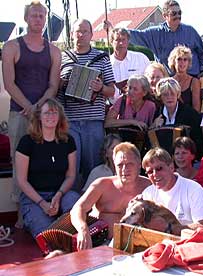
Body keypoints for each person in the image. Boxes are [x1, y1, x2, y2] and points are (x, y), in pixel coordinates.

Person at [2, 0, 61, 228]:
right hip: (19, 115)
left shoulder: (54, 51)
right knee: (20, 165)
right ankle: (20, 213)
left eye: (42, 16)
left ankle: (47, 207)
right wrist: (29, 107)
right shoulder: (12, 47)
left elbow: (53, 84)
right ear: (26, 18)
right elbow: (9, 83)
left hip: (45, 116)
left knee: (46, 161)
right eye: (34, 15)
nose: (38, 19)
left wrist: (39, 108)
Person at [57, 19, 115, 191]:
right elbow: (54, 87)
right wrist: (62, 83)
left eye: (84, 32)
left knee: (93, 167)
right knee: (70, 168)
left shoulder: (102, 58)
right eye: (77, 31)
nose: (80, 35)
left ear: (91, 35)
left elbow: (112, 90)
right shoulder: (62, 57)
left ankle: (92, 211)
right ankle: (71, 208)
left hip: (93, 121)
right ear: (71, 34)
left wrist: (101, 87)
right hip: (69, 121)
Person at [15, 99, 79, 238]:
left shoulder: (68, 141)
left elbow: (71, 175)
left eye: (54, 113)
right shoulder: (26, 142)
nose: (51, 116)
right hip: (34, 198)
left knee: (75, 206)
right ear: (39, 117)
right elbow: (22, 180)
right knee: (48, 236)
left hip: (61, 195)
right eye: (46, 113)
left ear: (60, 116)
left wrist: (59, 195)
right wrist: (42, 203)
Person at [70, 142, 151, 250]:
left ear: (139, 164)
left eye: (129, 164)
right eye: (120, 165)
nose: (124, 169)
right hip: (101, 245)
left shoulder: (150, 187)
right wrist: (83, 230)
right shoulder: (102, 185)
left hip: (139, 246)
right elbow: (78, 208)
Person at [141, 147, 203, 235]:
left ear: (171, 167)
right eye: (150, 172)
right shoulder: (147, 193)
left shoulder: (193, 189)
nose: (155, 174)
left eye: (159, 168)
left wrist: (169, 228)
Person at [129, 0, 203, 77]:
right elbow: (136, 35)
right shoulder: (155, 33)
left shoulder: (190, 31)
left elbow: (202, 50)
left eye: (179, 13)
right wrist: (120, 32)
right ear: (164, 15)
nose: (178, 16)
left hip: (192, 79)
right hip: (168, 82)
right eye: (174, 13)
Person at [151, 77, 203, 158]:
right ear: (160, 97)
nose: (169, 97)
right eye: (165, 94)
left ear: (177, 94)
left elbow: (198, 139)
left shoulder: (189, 113)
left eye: (172, 93)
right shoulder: (157, 113)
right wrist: (154, 126)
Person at [109, 28, 150, 103]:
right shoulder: (107, 63)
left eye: (123, 39)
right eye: (117, 40)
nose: (121, 43)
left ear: (128, 41)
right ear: (111, 42)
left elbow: (150, 81)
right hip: (114, 107)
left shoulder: (141, 58)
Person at [169, 46, 201, 112]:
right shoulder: (169, 82)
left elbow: (196, 108)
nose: (182, 62)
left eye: (185, 59)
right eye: (179, 59)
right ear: (173, 61)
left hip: (188, 119)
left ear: (188, 62)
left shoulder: (194, 82)